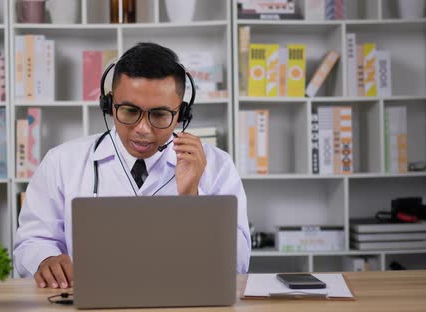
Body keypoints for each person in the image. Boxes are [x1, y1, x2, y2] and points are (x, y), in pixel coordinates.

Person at [14, 42, 251, 289]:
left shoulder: (218, 166)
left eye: (159, 115)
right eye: (129, 111)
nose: (143, 129)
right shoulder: (61, 162)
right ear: (108, 105)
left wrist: (194, 199)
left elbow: (239, 265)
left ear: (181, 114)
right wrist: (47, 259)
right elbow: (31, 242)